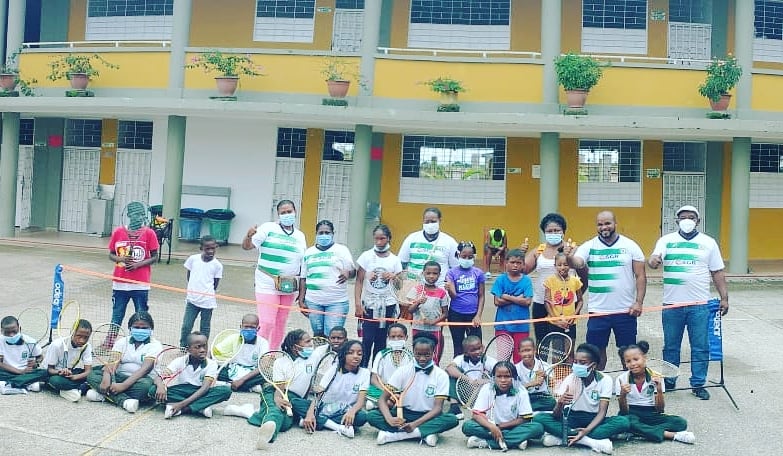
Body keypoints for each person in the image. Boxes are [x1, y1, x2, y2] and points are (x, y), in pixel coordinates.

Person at [648, 205, 729, 400]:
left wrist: (724, 297)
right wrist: (653, 261)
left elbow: (717, 271)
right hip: (672, 305)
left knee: (700, 346)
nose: (687, 220)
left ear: (697, 221)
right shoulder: (666, 240)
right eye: (683, 217)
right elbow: (653, 259)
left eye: (691, 217)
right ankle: (669, 380)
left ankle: (698, 383)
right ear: (677, 221)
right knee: (671, 346)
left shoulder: (708, 242)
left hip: (699, 305)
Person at [567, 210, 647, 370]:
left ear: (615, 224)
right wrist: (569, 257)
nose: (604, 227)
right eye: (600, 224)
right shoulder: (589, 246)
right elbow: (577, 263)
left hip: (625, 311)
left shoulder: (630, 245)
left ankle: (628, 382)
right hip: (598, 311)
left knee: (628, 354)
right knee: (596, 354)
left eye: (608, 223)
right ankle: (597, 382)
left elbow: (640, 276)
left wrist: (639, 302)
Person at [533, 343, 629, 454]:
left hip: (594, 419)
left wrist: (586, 430)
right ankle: (589, 441)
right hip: (571, 418)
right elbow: (556, 415)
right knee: (539, 418)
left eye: (582, 363)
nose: (577, 366)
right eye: (575, 362)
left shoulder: (605, 380)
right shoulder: (570, 378)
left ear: (593, 365)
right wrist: (560, 404)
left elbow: (602, 413)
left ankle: (563, 438)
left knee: (624, 422)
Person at [367, 335, 459, 447]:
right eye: (418, 354)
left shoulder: (441, 375)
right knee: (372, 416)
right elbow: (382, 399)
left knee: (452, 419)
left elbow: (437, 408)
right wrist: (389, 418)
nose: (422, 358)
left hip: (428, 416)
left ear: (433, 353)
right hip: (405, 413)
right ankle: (425, 433)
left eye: (427, 355)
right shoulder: (403, 371)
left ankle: (395, 435)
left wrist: (414, 424)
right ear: (413, 352)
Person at [242, 199, 307, 350]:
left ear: (295, 212)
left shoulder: (300, 236)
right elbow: (247, 246)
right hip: (266, 283)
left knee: (280, 322)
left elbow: (303, 262)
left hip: (288, 285)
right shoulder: (268, 228)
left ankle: (271, 354)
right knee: (267, 322)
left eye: (289, 211)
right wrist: (248, 236)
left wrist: (302, 290)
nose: (287, 215)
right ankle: (257, 352)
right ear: (278, 215)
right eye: (283, 213)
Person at [250, 329, 319, 450]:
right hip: (274, 392)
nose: (311, 344)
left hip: (295, 399)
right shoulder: (281, 362)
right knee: (275, 411)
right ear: (295, 347)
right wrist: (277, 398)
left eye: (310, 341)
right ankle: (266, 438)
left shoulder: (314, 357)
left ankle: (248, 412)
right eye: (307, 342)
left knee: (286, 423)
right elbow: (280, 388)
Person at [616, 341, 695, 444]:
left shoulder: (656, 376)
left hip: (651, 413)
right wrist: (623, 395)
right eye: (628, 361)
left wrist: (659, 389)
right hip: (631, 412)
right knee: (624, 421)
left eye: (636, 359)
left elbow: (660, 409)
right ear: (625, 363)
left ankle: (638, 431)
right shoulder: (621, 379)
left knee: (680, 423)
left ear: (644, 358)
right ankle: (671, 435)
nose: (633, 364)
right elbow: (623, 410)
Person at [85, 311, 162, 413]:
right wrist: (106, 378)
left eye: (144, 328)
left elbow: (145, 369)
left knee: (146, 389)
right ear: (130, 328)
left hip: (141, 380)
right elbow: (112, 363)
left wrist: (123, 386)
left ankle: (103, 395)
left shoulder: (155, 345)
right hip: (119, 377)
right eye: (136, 327)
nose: (140, 330)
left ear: (151, 329)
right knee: (92, 375)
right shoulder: (122, 342)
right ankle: (125, 401)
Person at [462, 361, 545, 450]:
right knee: (467, 426)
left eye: (507, 376)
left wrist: (500, 427)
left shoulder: (521, 391)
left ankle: (486, 442)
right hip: (490, 426)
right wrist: (491, 427)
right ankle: (516, 440)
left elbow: (525, 419)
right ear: (493, 377)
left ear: (514, 378)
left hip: (513, 427)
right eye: (499, 376)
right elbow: (476, 415)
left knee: (538, 428)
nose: (503, 380)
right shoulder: (487, 388)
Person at [149, 332, 232, 419]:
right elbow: (159, 378)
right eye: (198, 347)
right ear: (188, 349)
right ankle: (200, 407)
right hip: (182, 390)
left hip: (200, 391)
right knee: (153, 390)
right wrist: (160, 386)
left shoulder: (211, 364)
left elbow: (205, 388)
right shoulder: (180, 361)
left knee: (225, 391)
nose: (203, 350)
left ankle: (184, 409)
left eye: (205, 346)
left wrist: (181, 405)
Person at [354, 224, 403, 368]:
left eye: (382, 238)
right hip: (370, 304)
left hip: (388, 305)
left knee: (381, 341)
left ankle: (377, 371)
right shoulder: (366, 256)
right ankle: (363, 370)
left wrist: (393, 277)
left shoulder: (395, 260)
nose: (379, 242)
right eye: (376, 239)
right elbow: (358, 281)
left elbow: (400, 285)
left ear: (388, 239)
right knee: (367, 339)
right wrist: (358, 304)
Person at [299, 220, 356, 338]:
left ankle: (335, 351)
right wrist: (301, 299)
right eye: (321, 233)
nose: (324, 235)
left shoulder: (342, 250)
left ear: (333, 234)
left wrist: (348, 273)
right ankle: (320, 351)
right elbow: (303, 278)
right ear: (316, 234)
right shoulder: (309, 252)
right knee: (318, 335)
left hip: (337, 302)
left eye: (327, 232)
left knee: (333, 335)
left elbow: (353, 272)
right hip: (313, 301)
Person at [303, 339, 369, 438]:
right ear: (344, 355)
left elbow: (360, 402)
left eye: (359, 354)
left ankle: (315, 421)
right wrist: (309, 413)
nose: (356, 356)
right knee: (296, 403)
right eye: (351, 353)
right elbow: (318, 395)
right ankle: (338, 427)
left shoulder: (365, 373)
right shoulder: (334, 369)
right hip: (324, 407)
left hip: (345, 410)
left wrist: (352, 412)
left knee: (362, 417)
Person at [108, 201, 160, 326]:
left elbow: (155, 257)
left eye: (142, 214)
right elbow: (111, 254)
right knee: (117, 315)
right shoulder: (118, 232)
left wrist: (137, 265)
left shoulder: (149, 233)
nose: (139, 217)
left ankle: (141, 337)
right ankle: (111, 337)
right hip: (120, 283)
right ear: (129, 215)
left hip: (140, 285)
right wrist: (121, 259)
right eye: (136, 214)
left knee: (142, 316)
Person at [523, 213, 572, 343]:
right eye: (549, 231)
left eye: (557, 230)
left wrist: (575, 295)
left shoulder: (572, 250)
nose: (553, 233)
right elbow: (523, 270)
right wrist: (522, 254)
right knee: (542, 342)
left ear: (563, 232)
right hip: (540, 302)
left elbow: (583, 274)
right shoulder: (538, 251)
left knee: (561, 344)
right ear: (544, 233)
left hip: (565, 304)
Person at [179, 235, 223, 347]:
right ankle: (183, 346)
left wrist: (206, 293)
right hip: (192, 300)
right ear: (201, 248)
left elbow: (215, 284)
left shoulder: (217, 265)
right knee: (187, 326)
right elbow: (189, 276)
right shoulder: (193, 259)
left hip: (207, 302)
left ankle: (202, 348)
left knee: (205, 327)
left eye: (213, 248)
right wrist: (193, 290)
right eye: (207, 248)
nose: (210, 251)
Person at [490, 249, 533, 364]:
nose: (515, 265)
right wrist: (518, 299)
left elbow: (527, 301)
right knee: (503, 358)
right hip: (502, 325)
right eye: (512, 262)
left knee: (520, 358)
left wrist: (507, 297)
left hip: (521, 326)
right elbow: (497, 301)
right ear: (506, 263)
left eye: (519, 263)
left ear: (523, 265)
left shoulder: (527, 280)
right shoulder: (500, 280)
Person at [398, 207, 459, 286]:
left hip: (439, 288)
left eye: (433, 221)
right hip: (414, 287)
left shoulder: (449, 242)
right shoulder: (411, 238)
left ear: (440, 220)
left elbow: (456, 268)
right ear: (423, 221)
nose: (430, 224)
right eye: (427, 222)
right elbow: (401, 263)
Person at [445, 241, 486, 357]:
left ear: (474, 257)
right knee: (458, 346)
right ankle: (458, 367)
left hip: (473, 315)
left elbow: (481, 295)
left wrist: (478, 316)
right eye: (464, 256)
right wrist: (449, 288)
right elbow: (453, 296)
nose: (467, 259)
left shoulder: (478, 273)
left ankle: (476, 366)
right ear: (458, 255)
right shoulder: (451, 273)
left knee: (476, 346)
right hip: (456, 314)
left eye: (470, 257)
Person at [444, 335, 497, 419]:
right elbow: (449, 368)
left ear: (483, 347)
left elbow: (502, 377)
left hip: (482, 394)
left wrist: (486, 381)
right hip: (464, 391)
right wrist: (468, 379)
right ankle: (454, 407)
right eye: (473, 350)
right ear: (466, 352)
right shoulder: (460, 359)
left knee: (496, 378)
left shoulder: (490, 361)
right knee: (451, 374)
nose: (477, 352)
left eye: (479, 348)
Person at [408, 261, 448, 365]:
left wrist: (434, 322)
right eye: (428, 273)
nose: (431, 276)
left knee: (434, 356)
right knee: (418, 354)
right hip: (418, 328)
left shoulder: (442, 293)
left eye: (435, 273)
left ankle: (434, 371)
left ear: (439, 275)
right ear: (423, 273)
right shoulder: (416, 290)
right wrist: (418, 302)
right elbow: (410, 310)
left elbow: (445, 313)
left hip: (435, 329)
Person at [218, 313, 269, 394]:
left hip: (251, 374)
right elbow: (214, 351)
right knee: (212, 370)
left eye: (252, 327)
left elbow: (263, 366)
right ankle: (250, 387)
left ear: (258, 328)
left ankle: (226, 385)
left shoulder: (263, 343)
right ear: (241, 326)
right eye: (246, 327)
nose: (248, 329)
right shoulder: (233, 338)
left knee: (269, 373)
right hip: (232, 370)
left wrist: (242, 380)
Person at [44, 319, 93, 402]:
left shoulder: (87, 346)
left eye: (86, 337)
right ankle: (83, 387)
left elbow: (88, 371)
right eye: (79, 336)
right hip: (55, 374)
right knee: (55, 381)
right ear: (72, 332)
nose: (82, 340)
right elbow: (50, 370)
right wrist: (60, 372)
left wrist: (75, 377)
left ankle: (68, 390)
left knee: (99, 371)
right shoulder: (57, 345)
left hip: (71, 373)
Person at [542, 252, 584, 346]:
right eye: (559, 265)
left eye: (566, 264)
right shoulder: (550, 281)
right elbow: (546, 302)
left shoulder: (575, 281)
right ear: (555, 266)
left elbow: (580, 301)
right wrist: (556, 320)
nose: (562, 267)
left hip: (570, 323)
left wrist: (574, 315)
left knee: (570, 350)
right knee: (557, 351)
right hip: (555, 323)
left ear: (570, 265)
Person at [0, 315, 48, 394]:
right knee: (36, 386)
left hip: (26, 372)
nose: (11, 335)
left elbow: (40, 356)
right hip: (7, 371)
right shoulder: (0, 341)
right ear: (1, 331)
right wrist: (19, 372)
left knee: (45, 372)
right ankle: (25, 384)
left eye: (14, 331)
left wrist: (36, 363)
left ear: (19, 328)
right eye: (7, 332)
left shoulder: (30, 341)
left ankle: (9, 384)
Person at [366, 323, 408, 409]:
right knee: (369, 403)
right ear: (388, 338)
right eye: (393, 337)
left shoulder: (411, 357)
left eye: (400, 336)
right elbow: (373, 379)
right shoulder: (381, 354)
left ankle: (387, 404)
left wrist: (399, 393)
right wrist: (388, 392)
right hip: (383, 388)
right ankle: (388, 403)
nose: (396, 339)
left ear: (406, 337)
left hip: (403, 391)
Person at [514, 337, 556, 411]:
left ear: (534, 351)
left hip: (543, 398)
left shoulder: (545, 366)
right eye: (523, 351)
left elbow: (553, 385)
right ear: (519, 352)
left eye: (528, 350)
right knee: (516, 403)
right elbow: (514, 390)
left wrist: (545, 376)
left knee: (553, 402)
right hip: (525, 397)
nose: (526, 354)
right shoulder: (515, 369)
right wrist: (532, 384)